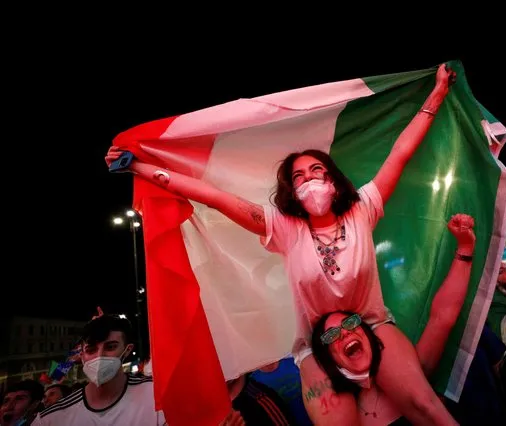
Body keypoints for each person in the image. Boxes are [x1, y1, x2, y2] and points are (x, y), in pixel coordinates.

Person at [106, 63, 458, 426]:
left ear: (334, 181)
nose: (310, 180)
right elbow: (211, 196)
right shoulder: (283, 226)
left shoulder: (363, 208)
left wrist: (437, 94)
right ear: (292, 191)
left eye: (317, 171)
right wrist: (139, 167)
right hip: (315, 347)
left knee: (426, 408)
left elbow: (400, 152)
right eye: (299, 177)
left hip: (372, 324)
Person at [309, 214, 477, 425]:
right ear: (329, 357)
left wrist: (465, 248)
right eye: (332, 335)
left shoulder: (413, 373)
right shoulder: (346, 415)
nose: (344, 333)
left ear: (368, 333)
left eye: (350, 323)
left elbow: (442, 317)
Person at [31, 315, 166, 425]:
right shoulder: (50, 420)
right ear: (82, 355)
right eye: (91, 350)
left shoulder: (157, 395)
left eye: (110, 347)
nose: (99, 357)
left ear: (127, 350)